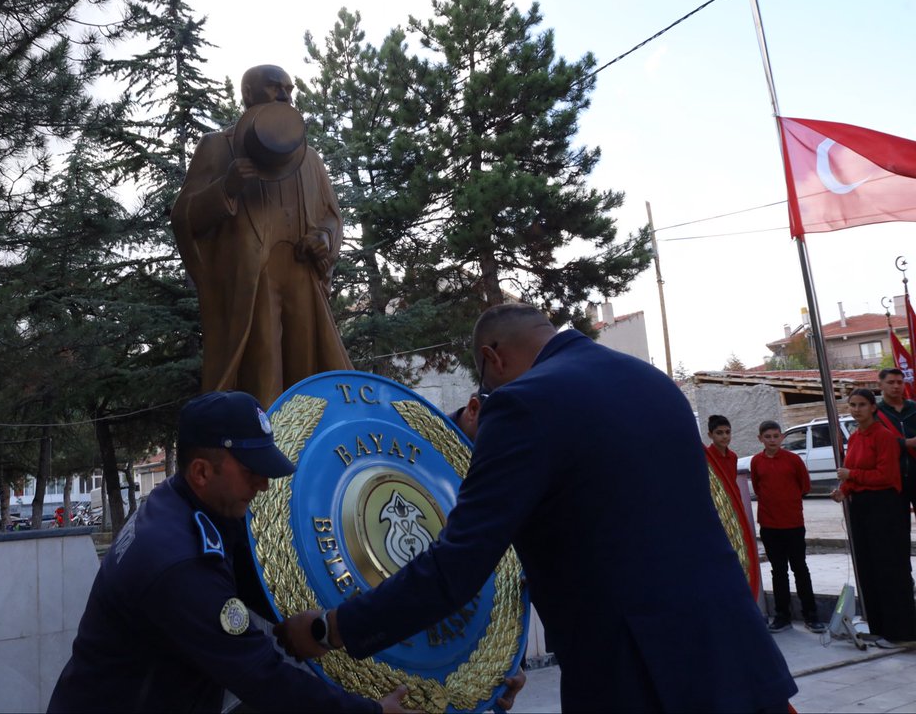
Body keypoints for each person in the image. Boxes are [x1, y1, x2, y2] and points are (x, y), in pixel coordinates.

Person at [276, 303, 796, 712]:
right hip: (738, 654)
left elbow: (459, 564)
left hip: (643, 675)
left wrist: (331, 629)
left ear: (492, 358)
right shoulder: (652, 382)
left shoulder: (522, 404)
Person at [47, 391, 402, 713]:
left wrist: (312, 627)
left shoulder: (183, 503)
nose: (264, 485)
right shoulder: (182, 563)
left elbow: (248, 569)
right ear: (201, 471)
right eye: (251, 471)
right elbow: (262, 678)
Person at [170, 65, 352, 408]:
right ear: (248, 93)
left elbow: (331, 216)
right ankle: (257, 438)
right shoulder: (217, 147)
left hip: (302, 280)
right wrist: (226, 187)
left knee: (308, 380)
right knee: (261, 378)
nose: (285, 96)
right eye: (274, 87)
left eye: (289, 89)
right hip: (252, 286)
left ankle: (310, 438)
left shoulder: (310, 160)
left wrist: (325, 238)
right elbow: (184, 217)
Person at [832, 388, 916, 647]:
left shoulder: (885, 436)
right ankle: (880, 627)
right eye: (852, 405)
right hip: (862, 508)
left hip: (885, 507)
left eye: (861, 405)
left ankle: (903, 633)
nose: (856, 409)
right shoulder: (855, 437)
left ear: (873, 408)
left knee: (890, 567)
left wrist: (851, 476)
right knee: (868, 567)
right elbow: (851, 470)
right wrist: (843, 490)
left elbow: (886, 476)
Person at [750, 419, 825, 634]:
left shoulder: (793, 460)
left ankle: (811, 615)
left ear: (782, 437)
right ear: (760, 439)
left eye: (776, 436)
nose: (772, 440)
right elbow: (758, 487)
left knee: (800, 568)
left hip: (793, 523)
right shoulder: (756, 462)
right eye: (768, 437)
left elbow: (805, 486)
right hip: (769, 525)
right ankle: (782, 615)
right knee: (778, 571)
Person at [877, 367, 916, 520]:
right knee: (898, 526)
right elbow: (874, 442)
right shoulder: (875, 412)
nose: (896, 386)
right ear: (880, 385)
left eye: (900, 382)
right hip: (892, 480)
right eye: (891, 382)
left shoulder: (913, 408)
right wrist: (905, 443)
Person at [704, 414, 737, 488]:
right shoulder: (705, 457)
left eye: (728, 432)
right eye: (719, 433)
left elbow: (733, 482)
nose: (725, 436)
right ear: (710, 435)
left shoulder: (733, 456)